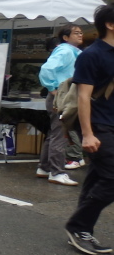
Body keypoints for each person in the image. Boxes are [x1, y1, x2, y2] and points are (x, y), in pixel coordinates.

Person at [64, 4, 114, 255]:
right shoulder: (91, 55)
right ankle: (77, 226)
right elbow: (83, 97)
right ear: (110, 25)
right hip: (98, 124)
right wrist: (87, 134)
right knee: (112, 177)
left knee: (97, 177)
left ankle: (82, 230)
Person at [36, 24, 84, 185]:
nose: (80, 35)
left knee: (55, 132)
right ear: (65, 37)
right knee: (61, 134)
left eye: (81, 32)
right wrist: (53, 88)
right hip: (63, 96)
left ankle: (44, 167)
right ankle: (56, 172)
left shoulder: (72, 51)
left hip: (64, 95)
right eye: (76, 33)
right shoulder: (65, 51)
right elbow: (46, 69)